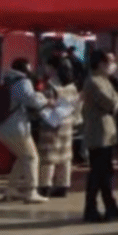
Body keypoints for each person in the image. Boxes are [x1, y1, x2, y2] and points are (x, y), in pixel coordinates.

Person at [81, 49, 118, 222]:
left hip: (106, 132)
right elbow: (111, 104)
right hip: (98, 133)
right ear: (100, 63)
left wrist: (117, 96)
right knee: (97, 173)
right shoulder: (94, 82)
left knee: (106, 173)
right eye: (110, 61)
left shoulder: (104, 80)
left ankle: (110, 205)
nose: (113, 65)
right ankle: (91, 208)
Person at [0, 57, 48, 204]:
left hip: (0, 127)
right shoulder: (23, 82)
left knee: (22, 157)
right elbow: (31, 101)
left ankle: (11, 190)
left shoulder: (6, 80)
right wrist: (45, 99)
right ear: (26, 68)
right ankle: (31, 192)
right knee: (31, 157)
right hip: (16, 127)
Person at [34, 69, 80, 200]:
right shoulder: (72, 87)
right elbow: (77, 106)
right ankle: (63, 186)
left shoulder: (50, 85)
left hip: (51, 123)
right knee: (65, 156)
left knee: (48, 156)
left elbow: (44, 102)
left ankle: (45, 186)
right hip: (67, 123)